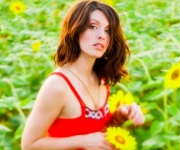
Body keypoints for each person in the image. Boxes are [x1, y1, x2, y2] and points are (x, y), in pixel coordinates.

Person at [21, 0, 145, 149]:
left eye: (107, 30)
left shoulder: (101, 78)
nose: (102, 36)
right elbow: (29, 145)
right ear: (76, 29)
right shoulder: (58, 86)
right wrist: (82, 141)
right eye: (93, 26)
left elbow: (98, 133)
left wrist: (121, 115)